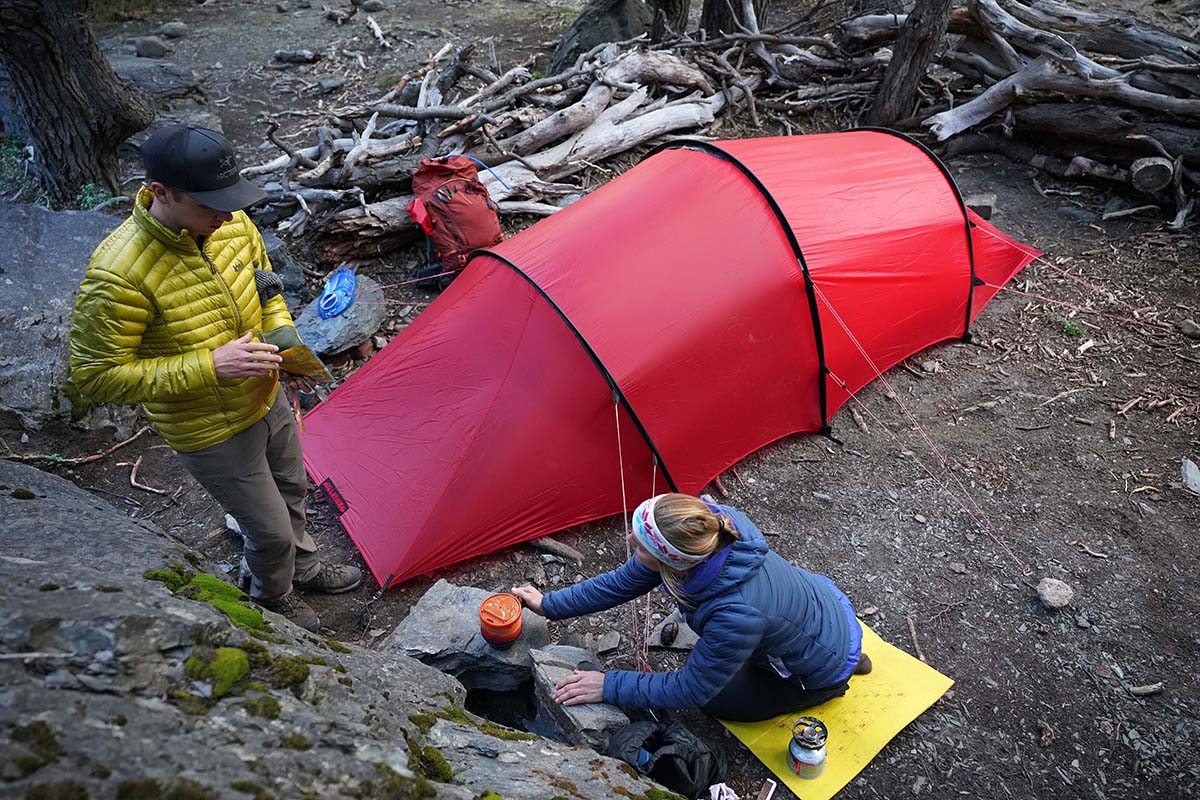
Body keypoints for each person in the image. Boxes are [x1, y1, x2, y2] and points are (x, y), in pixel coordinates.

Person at [69, 123, 361, 632]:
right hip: (209, 428)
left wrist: (283, 343)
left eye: (230, 201)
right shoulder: (118, 275)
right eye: (209, 205)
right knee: (267, 532)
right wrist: (210, 365)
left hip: (265, 394)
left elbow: (266, 283)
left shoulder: (230, 222)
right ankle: (274, 599)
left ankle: (307, 567)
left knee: (293, 491)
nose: (227, 215)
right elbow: (95, 377)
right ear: (161, 193)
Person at [512, 493, 871, 722]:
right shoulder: (710, 526)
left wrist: (609, 685)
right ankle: (835, 654)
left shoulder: (736, 614)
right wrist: (549, 604)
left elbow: (691, 689)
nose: (628, 541)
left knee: (717, 701)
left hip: (814, 665)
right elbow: (622, 583)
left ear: (673, 562)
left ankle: (831, 682)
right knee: (718, 653)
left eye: (639, 544)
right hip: (822, 607)